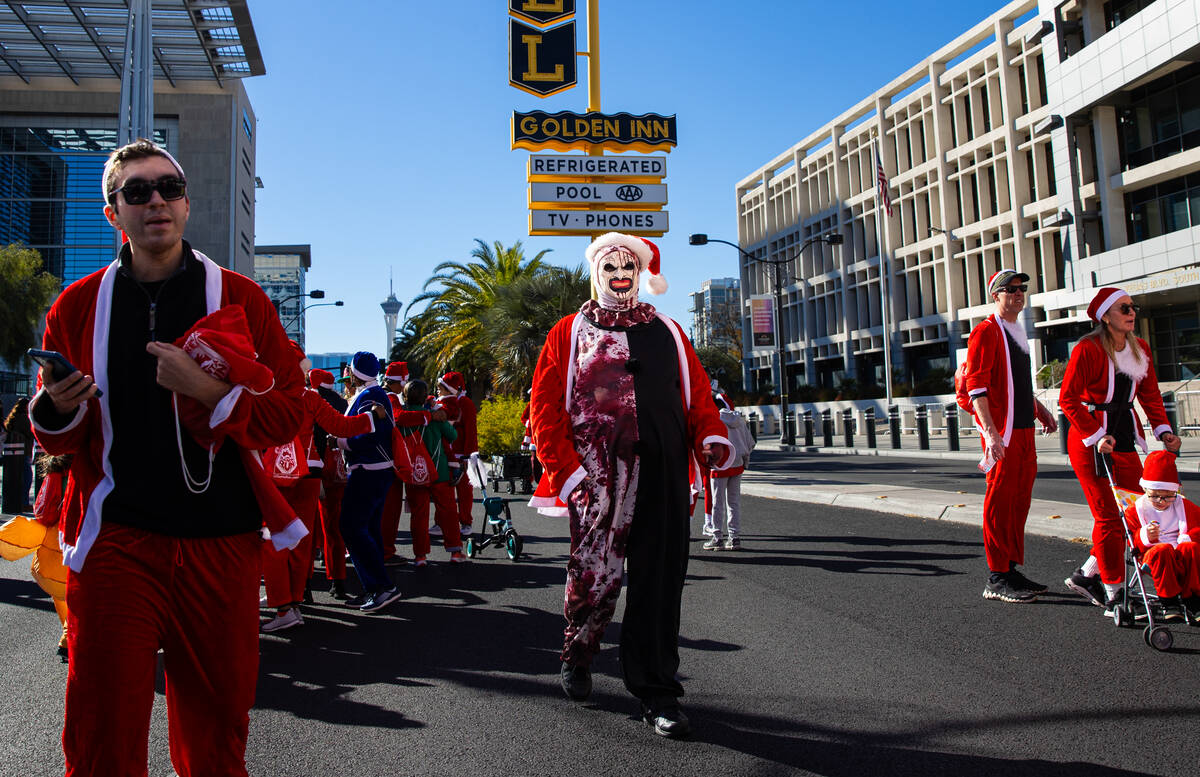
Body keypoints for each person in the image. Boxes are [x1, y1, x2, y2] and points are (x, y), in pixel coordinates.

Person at [27, 138, 304, 775]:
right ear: (113, 213)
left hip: (221, 541)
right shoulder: (77, 305)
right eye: (137, 191)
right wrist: (57, 409)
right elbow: (62, 438)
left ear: (186, 204)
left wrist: (208, 390)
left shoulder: (240, 299)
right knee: (101, 729)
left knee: (216, 729)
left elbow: (288, 415)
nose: (156, 201)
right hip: (117, 541)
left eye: (169, 189)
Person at [529, 232, 732, 738]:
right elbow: (544, 409)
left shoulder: (668, 330)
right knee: (594, 575)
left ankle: (658, 691)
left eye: (629, 268)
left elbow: (698, 394)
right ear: (596, 272)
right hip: (597, 479)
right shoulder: (568, 332)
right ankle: (578, 653)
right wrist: (568, 474)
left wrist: (710, 436)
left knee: (660, 582)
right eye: (611, 267)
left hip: (663, 473)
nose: (621, 276)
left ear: (640, 274)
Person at [1060, 287, 1181, 610]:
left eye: (1133, 307)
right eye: (1124, 308)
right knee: (1108, 516)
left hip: (1125, 436)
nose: (1131, 313)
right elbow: (1068, 400)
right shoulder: (1088, 349)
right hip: (1091, 442)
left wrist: (1164, 430)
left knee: (1137, 511)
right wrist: (1096, 435)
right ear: (1105, 317)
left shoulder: (1140, 347)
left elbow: (1150, 394)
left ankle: (1087, 574)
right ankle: (1114, 592)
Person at [261, 344, 380, 633]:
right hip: (311, 471)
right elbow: (341, 426)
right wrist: (370, 418)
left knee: (273, 539)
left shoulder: (265, 394)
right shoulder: (309, 397)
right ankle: (294, 603)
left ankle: (282, 605)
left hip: (275, 474)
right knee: (300, 540)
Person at [962, 269, 1058, 603]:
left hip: (1024, 429)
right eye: (1010, 289)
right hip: (1003, 432)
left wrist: (1039, 409)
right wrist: (991, 433)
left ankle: (1010, 569)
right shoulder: (986, 331)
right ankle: (996, 577)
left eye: (1022, 288)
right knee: (1000, 502)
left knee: (1019, 500)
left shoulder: (1016, 332)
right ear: (996, 295)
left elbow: (1016, 383)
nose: (1018, 293)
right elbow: (976, 386)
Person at [333, 351, 402, 613]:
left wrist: (340, 441)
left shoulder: (370, 396)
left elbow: (371, 434)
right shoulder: (373, 394)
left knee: (351, 527)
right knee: (368, 529)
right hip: (375, 470)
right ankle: (376, 587)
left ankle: (381, 586)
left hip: (369, 470)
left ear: (355, 373)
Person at [0, 452, 72, 656]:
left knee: (61, 596)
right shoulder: (98, 468)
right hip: (80, 549)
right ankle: (75, 636)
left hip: (50, 558)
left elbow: (42, 512)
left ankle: (68, 636)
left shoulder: (55, 470)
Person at [1123, 450, 1200, 621]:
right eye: (1155, 496)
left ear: (1175, 492)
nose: (1161, 501)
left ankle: (1193, 599)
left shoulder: (1183, 505)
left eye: (1168, 497)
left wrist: (1188, 537)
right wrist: (1145, 536)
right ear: (1145, 489)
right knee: (1162, 549)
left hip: (1180, 552)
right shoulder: (1136, 510)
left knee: (1191, 547)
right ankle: (1169, 601)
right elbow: (1132, 541)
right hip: (1152, 555)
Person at [402, 380, 463, 566]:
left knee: (419, 515)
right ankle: (455, 552)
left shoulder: (403, 418)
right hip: (439, 471)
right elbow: (452, 435)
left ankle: (420, 556)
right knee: (448, 512)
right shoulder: (434, 416)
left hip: (414, 472)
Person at [310, 367, 351, 599]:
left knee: (306, 531)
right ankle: (338, 581)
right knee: (335, 527)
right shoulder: (342, 403)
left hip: (310, 469)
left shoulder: (309, 400)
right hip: (337, 468)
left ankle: (303, 587)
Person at [703, 396, 755, 551]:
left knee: (717, 504)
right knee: (734, 502)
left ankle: (717, 537)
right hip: (737, 464)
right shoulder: (739, 420)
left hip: (720, 466)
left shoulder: (714, 420)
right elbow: (750, 442)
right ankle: (734, 537)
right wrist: (745, 461)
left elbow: (708, 445)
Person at [439, 371, 478, 540]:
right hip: (445, 453)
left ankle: (466, 522)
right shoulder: (442, 402)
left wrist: (468, 455)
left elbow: (471, 431)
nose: (439, 390)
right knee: (443, 491)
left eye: (442, 387)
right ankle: (441, 523)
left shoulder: (465, 403)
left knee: (464, 491)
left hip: (461, 454)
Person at [3, 397, 34, 510]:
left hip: (15, 453)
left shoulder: (13, 417)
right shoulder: (23, 418)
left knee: (18, 478)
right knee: (27, 477)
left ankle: (18, 502)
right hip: (23, 451)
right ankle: (24, 502)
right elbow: (31, 432)